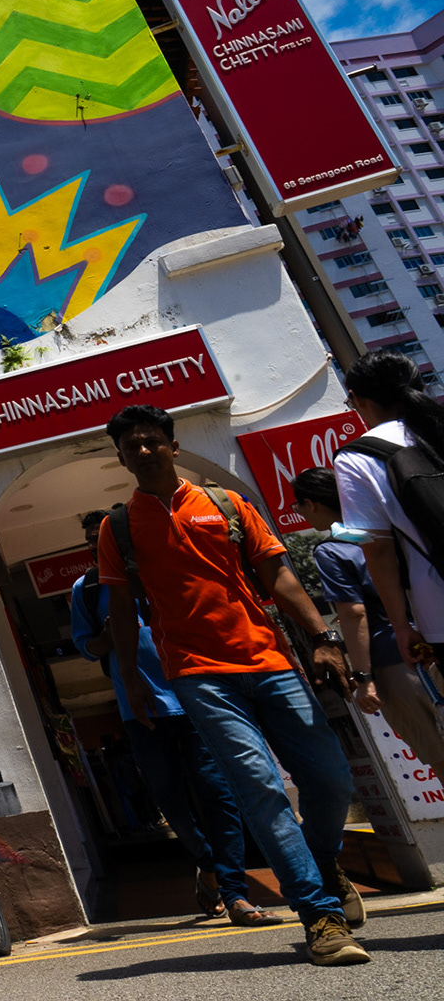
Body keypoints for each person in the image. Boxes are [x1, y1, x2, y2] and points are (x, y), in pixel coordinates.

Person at [96, 405, 368, 966]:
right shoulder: (117, 525)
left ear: (173, 445)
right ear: (121, 457)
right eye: (131, 446)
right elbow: (121, 611)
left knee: (332, 778)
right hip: (197, 677)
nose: (142, 452)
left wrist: (323, 636)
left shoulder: (225, 502)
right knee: (259, 788)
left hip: (269, 660)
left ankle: (322, 858)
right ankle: (319, 914)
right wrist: (132, 682)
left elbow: (278, 573)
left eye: (151, 441)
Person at [68, 510, 272, 924]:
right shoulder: (86, 588)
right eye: (90, 540)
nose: (96, 544)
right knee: (169, 800)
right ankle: (209, 862)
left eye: (102, 536)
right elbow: (86, 645)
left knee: (217, 793)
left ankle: (234, 892)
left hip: (195, 698)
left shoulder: (162, 565)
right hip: (139, 710)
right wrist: (109, 634)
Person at [294, 466, 444, 772]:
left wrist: (363, 678)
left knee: (439, 757)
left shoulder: (332, 550)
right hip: (434, 640)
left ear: (312, 504)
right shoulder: (391, 530)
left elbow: (354, 613)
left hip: (395, 662)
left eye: (299, 506)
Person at [334, 349, 444, 666]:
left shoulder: (356, 458)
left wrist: (401, 625)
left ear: (357, 398)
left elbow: (376, 550)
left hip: (437, 605)